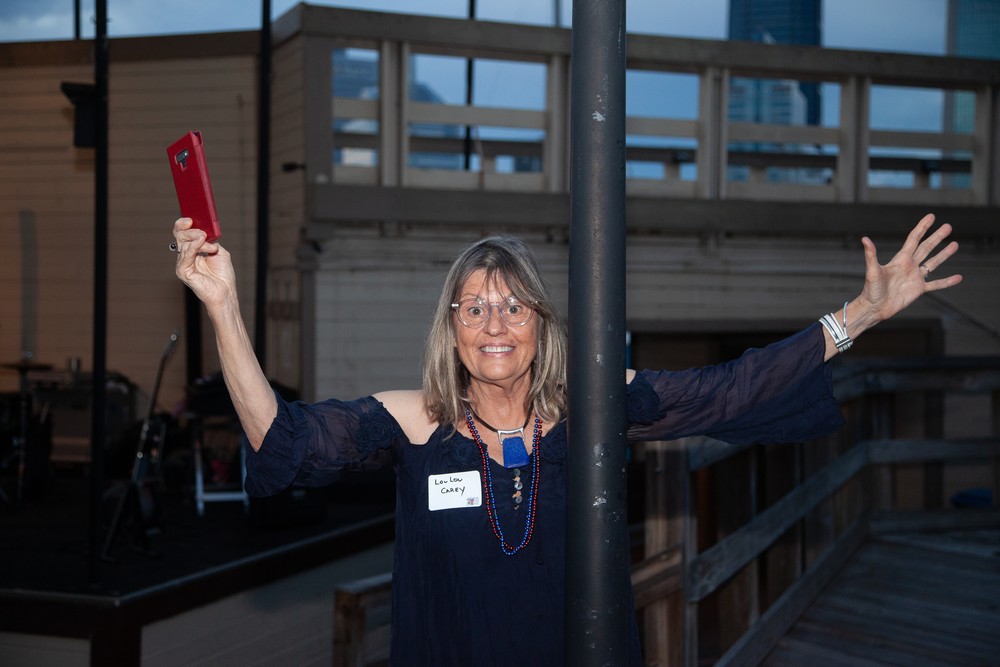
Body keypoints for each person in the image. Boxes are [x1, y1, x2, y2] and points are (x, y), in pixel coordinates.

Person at [172, 212, 961, 665]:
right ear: (451, 329)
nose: (494, 323)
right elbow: (282, 441)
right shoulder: (417, 419)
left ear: (542, 323)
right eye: (474, 307)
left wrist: (858, 316)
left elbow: (731, 388)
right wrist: (223, 308)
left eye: (514, 305)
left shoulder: (593, 409)